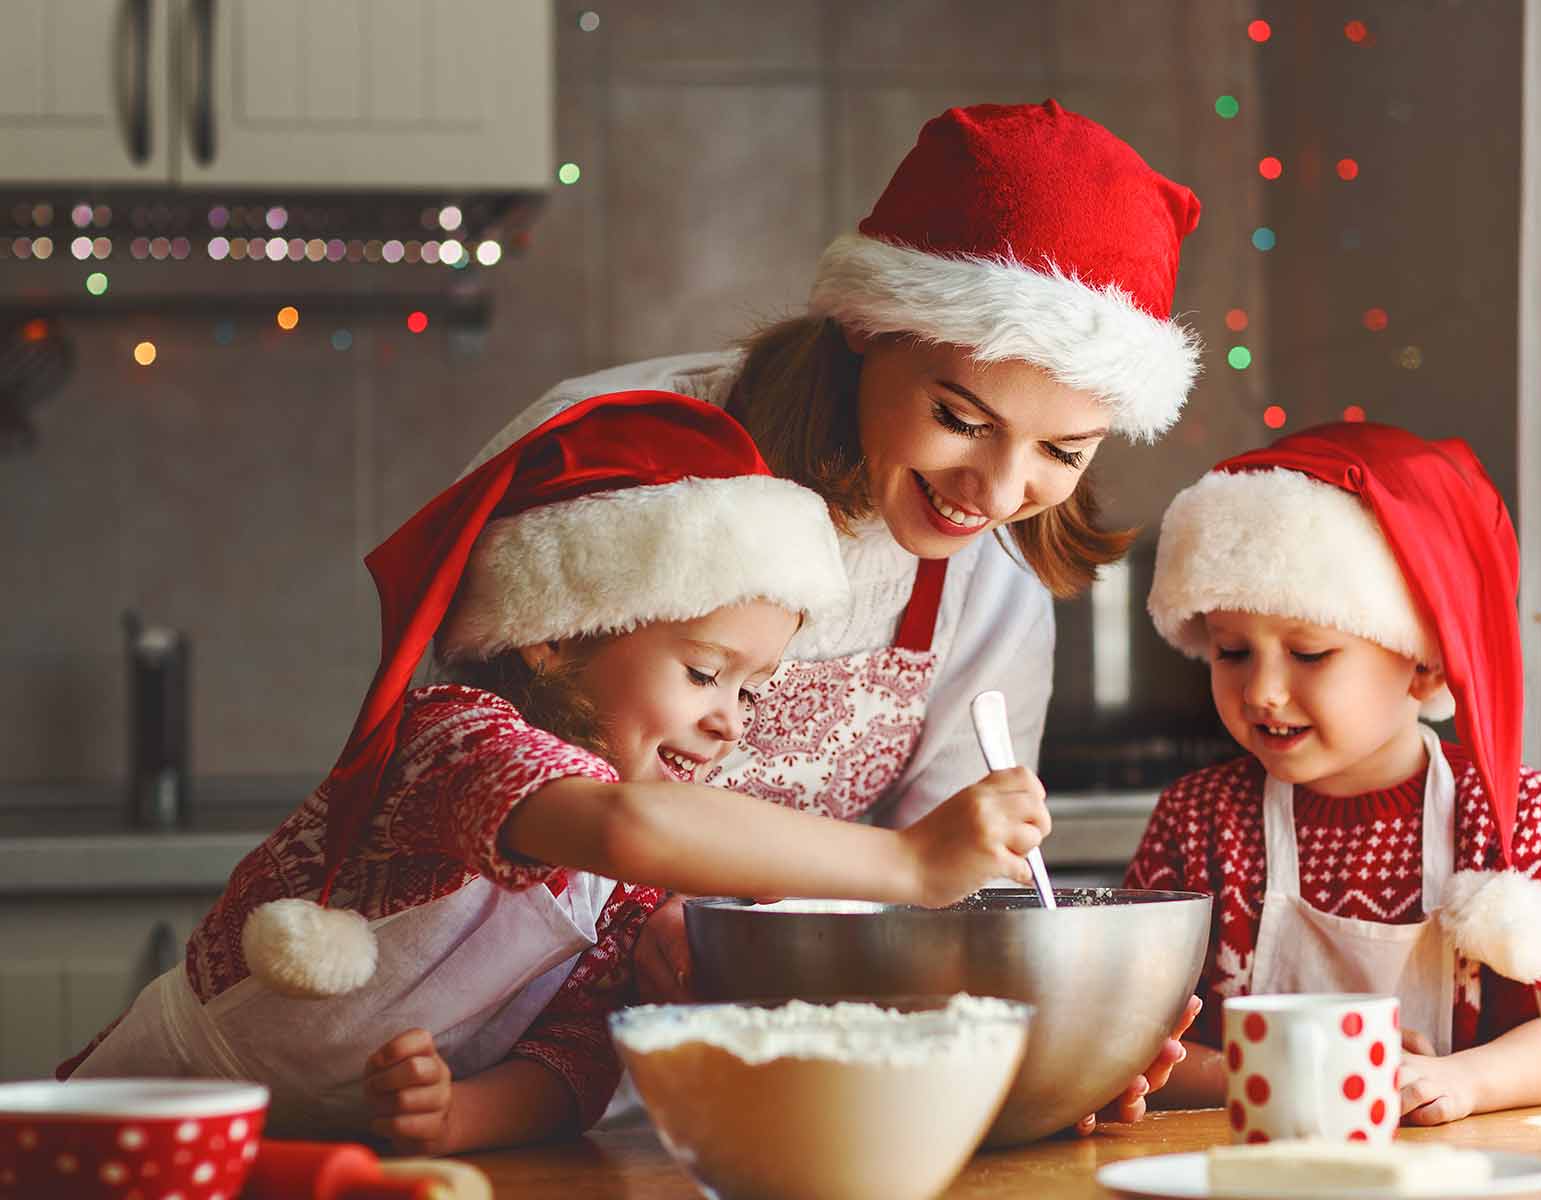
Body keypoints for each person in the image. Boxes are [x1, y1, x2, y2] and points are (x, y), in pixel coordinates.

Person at [59, 391, 1050, 1154]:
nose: (727, 721)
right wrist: (910, 864)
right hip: (146, 1117)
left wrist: (454, 1117)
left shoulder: (637, 868)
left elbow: (572, 1063)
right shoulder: (456, 739)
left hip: (344, 1165)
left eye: (751, 693)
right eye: (705, 671)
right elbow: (623, 828)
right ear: (554, 636)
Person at [479, 99, 1207, 1129]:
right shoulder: (606, 455)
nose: (996, 494)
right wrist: (639, 905)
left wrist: (1052, 1047)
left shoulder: (987, 588)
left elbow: (939, 898)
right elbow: (446, 758)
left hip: (766, 1090)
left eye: (1064, 450)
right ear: (866, 329)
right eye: (961, 419)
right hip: (471, 1071)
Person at [1130, 420, 1541, 1126]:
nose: (1262, 690)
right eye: (1231, 652)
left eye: (1310, 653)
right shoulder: (1198, 818)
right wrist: (1293, 1073)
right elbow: (1132, 1047)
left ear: (1424, 663)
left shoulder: (1506, 812)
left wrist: (1464, 1081)